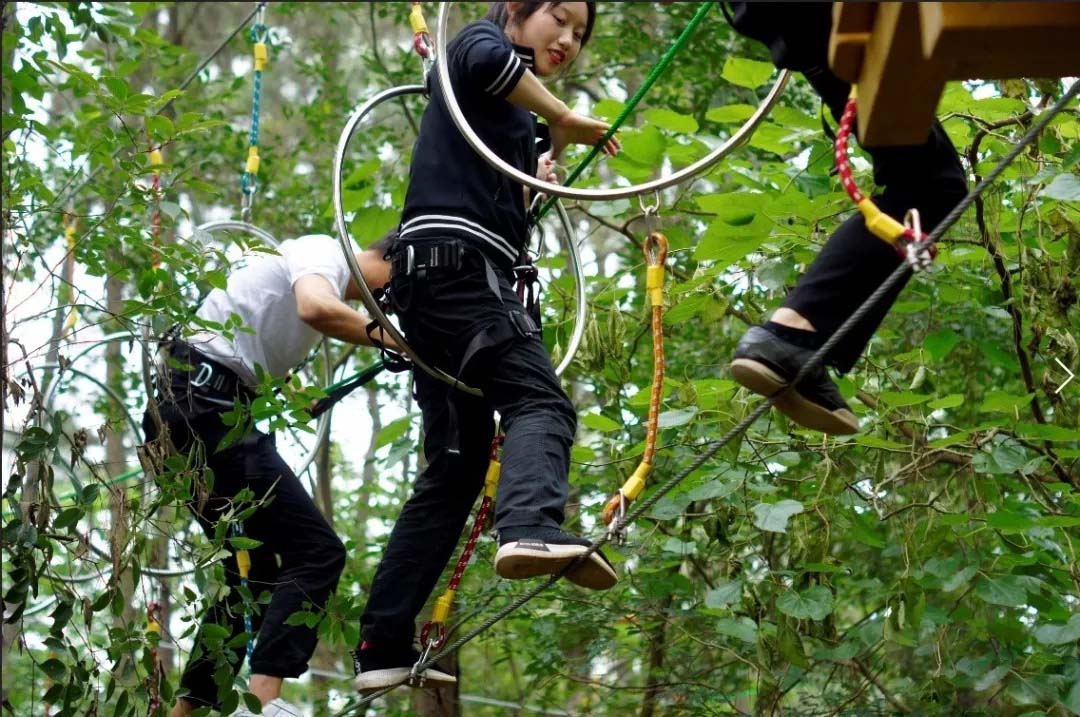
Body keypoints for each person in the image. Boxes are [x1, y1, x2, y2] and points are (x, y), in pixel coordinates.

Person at [355, 1, 621, 693]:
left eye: (579, 34)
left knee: (455, 468)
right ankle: (531, 522)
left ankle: (382, 640)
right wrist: (561, 118)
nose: (566, 39)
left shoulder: (511, 120)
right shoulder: (475, 45)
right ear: (516, 11)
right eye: (558, 18)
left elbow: (506, 198)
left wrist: (546, 158)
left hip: (437, 289)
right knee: (541, 404)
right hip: (461, 277)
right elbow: (485, 63)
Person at [141, 231, 417, 717]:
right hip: (204, 406)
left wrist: (290, 395)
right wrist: (398, 340)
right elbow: (315, 307)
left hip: (187, 407)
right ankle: (264, 701)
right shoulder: (324, 252)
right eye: (394, 289)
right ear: (387, 260)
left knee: (248, 572)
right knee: (316, 551)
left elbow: (247, 339)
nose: (389, 302)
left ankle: (186, 711)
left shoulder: (306, 268)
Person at [721, 2, 968, 434]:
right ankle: (794, 333)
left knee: (928, 186)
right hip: (823, 18)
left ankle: (797, 337)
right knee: (930, 187)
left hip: (805, 26)